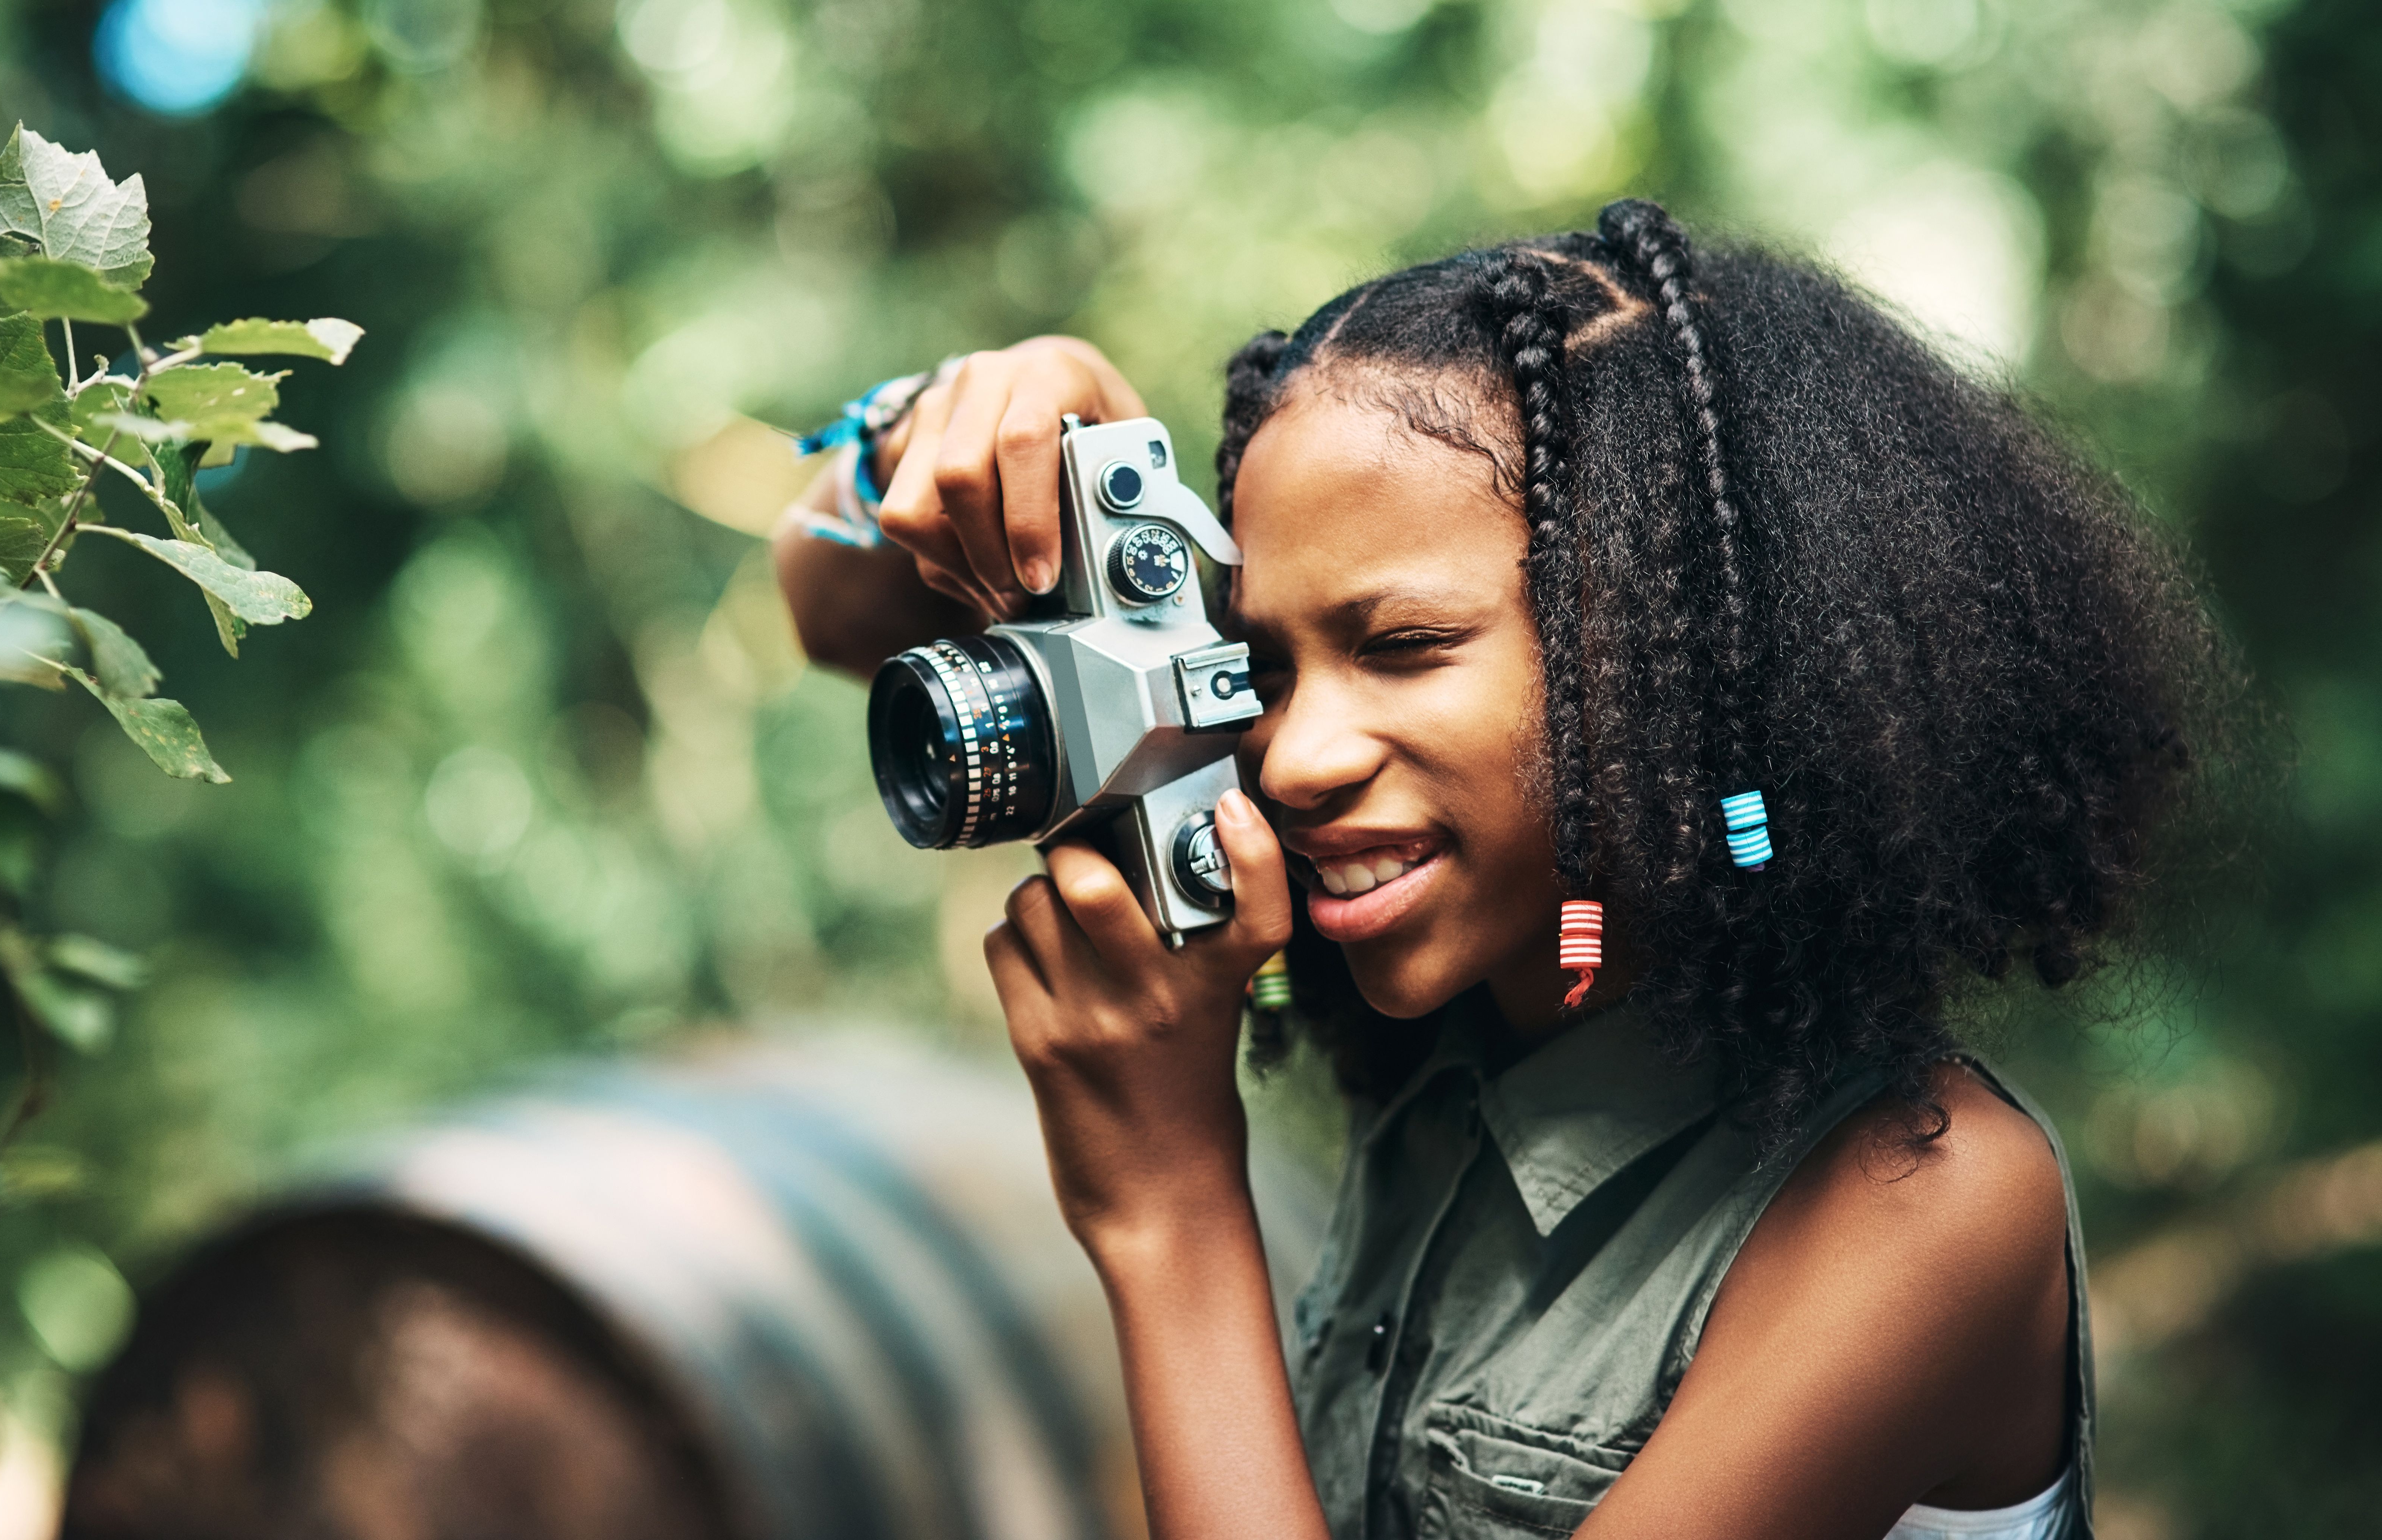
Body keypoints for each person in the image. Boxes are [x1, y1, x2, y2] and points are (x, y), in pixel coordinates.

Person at [774, 200, 2234, 1540]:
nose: (1286, 759)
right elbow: (829, 604)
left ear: (1681, 663)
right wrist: (980, 424)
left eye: (1400, 646)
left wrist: (1165, 1211)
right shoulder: (1472, 1040)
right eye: (1261, 666)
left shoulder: (1922, 1202)